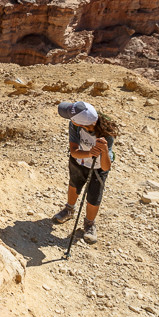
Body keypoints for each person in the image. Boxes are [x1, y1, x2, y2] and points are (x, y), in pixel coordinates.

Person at [51, 101, 118, 244]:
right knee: (74, 184)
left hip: (98, 167)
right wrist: (89, 153)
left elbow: (106, 167)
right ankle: (69, 210)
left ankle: (89, 224)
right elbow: (74, 151)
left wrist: (104, 151)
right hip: (79, 161)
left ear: (82, 124)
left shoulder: (107, 132)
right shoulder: (74, 125)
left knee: (94, 195)